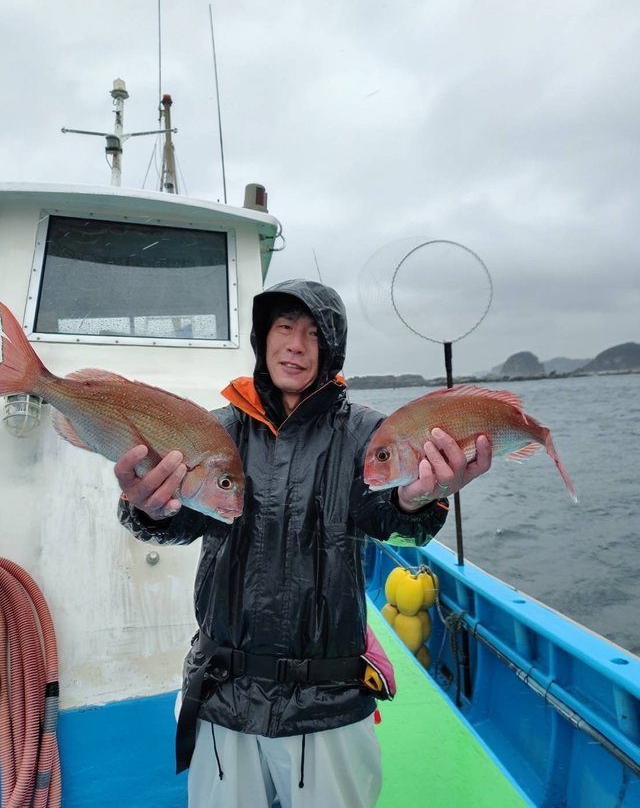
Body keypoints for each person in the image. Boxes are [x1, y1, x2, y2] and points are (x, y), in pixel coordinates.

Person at [115, 280, 491, 808]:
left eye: (314, 334)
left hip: (328, 702)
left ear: (331, 348)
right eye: (284, 327)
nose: (296, 345)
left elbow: (392, 523)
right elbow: (179, 522)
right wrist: (148, 507)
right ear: (262, 338)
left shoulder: (366, 433)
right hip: (224, 692)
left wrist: (415, 501)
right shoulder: (216, 431)